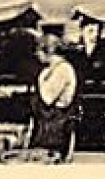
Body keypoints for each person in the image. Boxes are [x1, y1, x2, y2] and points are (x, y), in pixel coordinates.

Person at [30, 34, 79, 162]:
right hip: (51, 122)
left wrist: (40, 79)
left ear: (47, 51)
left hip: (56, 122)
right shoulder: (53, 69)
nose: (37, 55)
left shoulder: (61, 70)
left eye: (38, 51)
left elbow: (47, 97)